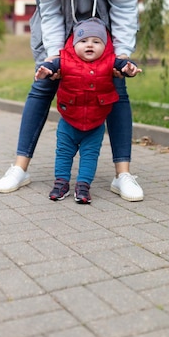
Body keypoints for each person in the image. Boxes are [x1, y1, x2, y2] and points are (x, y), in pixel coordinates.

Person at [0, 0, 144, 202]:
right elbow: (48, 7)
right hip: (58, 25)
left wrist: (120, 55)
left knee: (115, 88)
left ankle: (123, 175)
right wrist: (53, 56)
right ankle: (20, 168)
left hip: (99, 29)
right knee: (43, 85)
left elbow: (123, 3)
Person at [35, 17, 142, 204]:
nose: (89, 45)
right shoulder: (64, 60)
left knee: (90, 156)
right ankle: (61, 182)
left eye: (96, 41)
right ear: (74, 44)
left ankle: (83, 186)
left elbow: (122, 66)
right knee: (63, 153)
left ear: (105, 45)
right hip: (69, 121)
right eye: (83, 41)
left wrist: (129, 68)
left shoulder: (110, 61)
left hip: (95, 123)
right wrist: (46, 70)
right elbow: (52, 66)